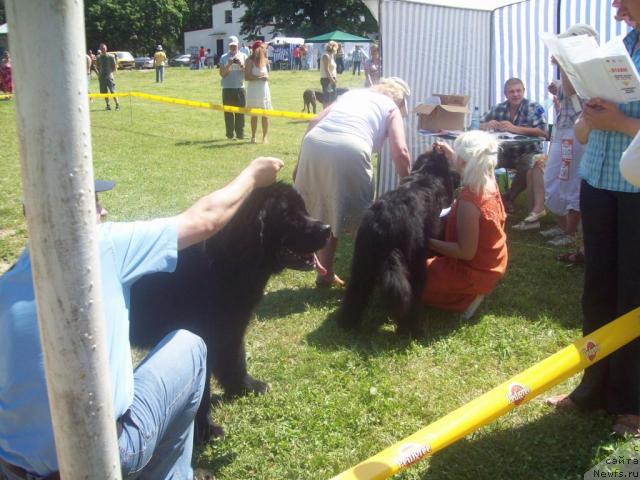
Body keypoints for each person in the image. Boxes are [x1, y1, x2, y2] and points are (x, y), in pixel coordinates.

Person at [0, 157, 284, 480]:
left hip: (14, 470)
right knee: (190, 345)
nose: (104, 211)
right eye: (95, 203)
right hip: (100, 462)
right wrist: (253, 174)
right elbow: (205, 219)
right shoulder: (101, 246)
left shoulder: (5, 285)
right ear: (78, 213)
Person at [545, 0, 640, 439]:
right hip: (599, 184)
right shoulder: (624, 44)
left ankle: (633, 404)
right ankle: (592, 387)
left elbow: (622, 124)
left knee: (634, 298)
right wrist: (587, 115)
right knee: (597, 290)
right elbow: (583, 132)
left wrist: (620, 121)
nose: (616, 5)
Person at [293, 77, 412, 287]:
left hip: (314, 143)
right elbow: (400, 151)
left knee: (328, 212)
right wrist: (408, 186)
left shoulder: (351, 94)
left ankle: (325, 275)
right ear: (400, 100)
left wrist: (299, 163)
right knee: (365, 223)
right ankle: (371, 278)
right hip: (351, 149)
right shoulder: (392, 107)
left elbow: (314, 121)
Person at [423, 131, 508, 318]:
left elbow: (465, 252)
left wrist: (426, 240)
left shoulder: (470, 201)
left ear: (462, 162)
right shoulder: (489, 178)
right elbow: (471, 162)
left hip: (472, 272)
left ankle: (465, 297)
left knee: (408, 275)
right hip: (492, 262)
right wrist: (453, 154)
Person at [535, 24, 598, 252]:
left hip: (577, 132)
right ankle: (564, 229)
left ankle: (570, 233)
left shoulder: (588, 65)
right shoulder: (574, 66)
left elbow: (572, 90)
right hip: (564, 130)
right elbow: (568, 90)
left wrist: (562, 61)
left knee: (571, 183)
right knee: (555, 180)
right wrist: (558, 86)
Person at [480, 78, 548, 213]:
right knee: (484, 159)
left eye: (518, 91)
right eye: (511, 92)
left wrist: (516, 128)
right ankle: (486, 198)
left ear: (524, 91)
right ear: (506, 94)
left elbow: (544, 133)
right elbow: (476, 124)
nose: (515, 94)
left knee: (527, 164)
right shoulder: (499, 108)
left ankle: (507, 198)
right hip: (505, 151)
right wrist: (486, 125)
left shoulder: (533, 107)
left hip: (529, 151)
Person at [219, 35, 247, 140]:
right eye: (231, 46)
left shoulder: (244, 56)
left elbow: (246, 73)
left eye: (234, 46)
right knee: (228, 113)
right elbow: (222, 74)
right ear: (229, 46)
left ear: (238, 45)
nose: (233, 48)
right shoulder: (224, 57)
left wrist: (241, 65)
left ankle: (240, 134)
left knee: (240, 112)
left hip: (240, 88)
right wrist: (229, 64)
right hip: (227, 88)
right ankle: (229, 135)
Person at [245, 40, 272, 144]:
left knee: (265, 114)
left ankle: (265, 137)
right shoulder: (249, 61)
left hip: (264, 90)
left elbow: (266, 75)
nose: (264, 50)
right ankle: (253, 136)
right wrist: (260, 78)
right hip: (253, 91)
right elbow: (247, 76)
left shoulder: (265, 60)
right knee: (254, 115)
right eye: (262, 48)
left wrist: (266, 77)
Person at [96, 43, 120, 111]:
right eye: (101, 48)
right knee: (104, 92)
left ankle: (117, 105)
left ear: (106, 49)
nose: (102, 49)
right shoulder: (98, 57)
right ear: (100, 49)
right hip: (101, 78)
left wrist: (109, 73)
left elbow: (114, 67)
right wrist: (100, 73)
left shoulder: (111, 56)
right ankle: (108, 105)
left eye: (104, 48)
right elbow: (97, 66)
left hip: (109, 77)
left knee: (113, 91)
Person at [320, 41, 338, 108]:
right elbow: (326, 69)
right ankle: (324, 114)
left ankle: (330, 113)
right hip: (326, 79)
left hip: (332, 78)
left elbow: (333, 69)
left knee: (333, 98)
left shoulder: (332, 56)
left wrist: (334, 78)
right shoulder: (326, 56)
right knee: (326, 98)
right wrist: (331, 80)